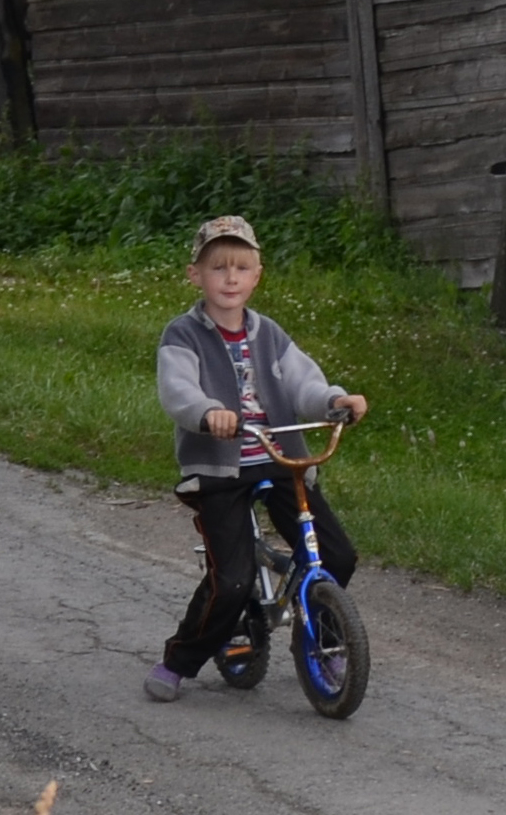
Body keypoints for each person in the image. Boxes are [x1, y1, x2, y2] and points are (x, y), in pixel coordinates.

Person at [147, 212, 365, 700]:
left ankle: (324, 644)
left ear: (256, 276)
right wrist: (207, 412)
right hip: (220, 469)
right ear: (195, 275)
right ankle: (180, 660)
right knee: (232, 580)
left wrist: (334, 401)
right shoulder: (182, 335)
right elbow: (176, 389)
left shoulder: (269, 334)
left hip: (279, 458)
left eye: (241, 269)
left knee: (336, 556)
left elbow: (303, 381)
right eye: (218, 268)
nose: (230, 279)